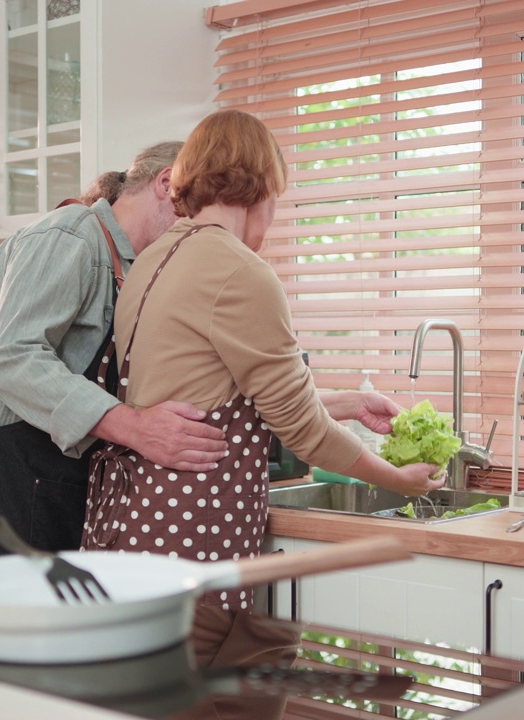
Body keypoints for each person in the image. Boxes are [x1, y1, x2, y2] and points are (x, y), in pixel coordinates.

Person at [82, 110, 444, 610]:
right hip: (195, 524)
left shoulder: (154, 258)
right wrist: (395, 477)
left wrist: (351, 402)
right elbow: (303, 431)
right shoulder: (239, 271)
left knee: (156, 682)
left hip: (135, 516)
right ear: (260, 188)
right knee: (209, 680)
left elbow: (221, 391)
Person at [0, 143, 229, 564]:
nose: (198, 234)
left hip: (54, 489)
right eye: (197, 215)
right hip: (4, 487)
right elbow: (14, 359)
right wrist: (136, 428)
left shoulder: (129, 267)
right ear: (167, 183)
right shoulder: (72, 234)